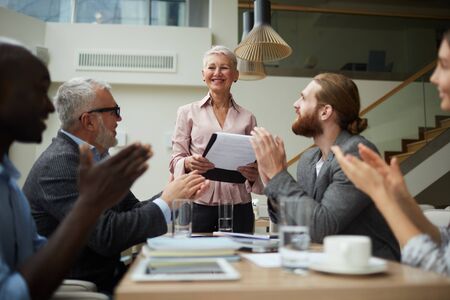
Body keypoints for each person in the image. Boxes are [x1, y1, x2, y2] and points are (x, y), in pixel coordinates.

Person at [23, 77, 209, 293]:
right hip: (85, 289)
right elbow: (106, 236)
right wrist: (166, 202)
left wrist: (176, 195)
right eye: (114, 111)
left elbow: (130, 210)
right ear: (89, 121)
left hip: (111, 278)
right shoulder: (59, 165)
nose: (120, 118)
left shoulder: (96, 157)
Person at [0, 39, 153, 299]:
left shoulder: (8, 182)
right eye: (38, 91)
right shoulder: (57, 164)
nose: (50, 108)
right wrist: (90, 206)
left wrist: (173, 197)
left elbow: (40, 262)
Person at [332, 30, 450, 275]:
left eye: (445, 66)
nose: (434, 78)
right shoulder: (311, 160)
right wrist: (401, 198)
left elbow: (439, 269)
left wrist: (380, 194)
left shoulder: (353, 147)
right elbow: (443, 241)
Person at [250, 72, 400, 260]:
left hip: (370, 268)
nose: (295, 104)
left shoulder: (355, 153)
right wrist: (270, 181)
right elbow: (295, 221)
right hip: (325, 262)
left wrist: (279, 176)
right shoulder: (308, 159)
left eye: (303, 98)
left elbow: (322, 227)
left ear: (325, 111)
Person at [170, 45, 263, 233]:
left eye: (224, 67)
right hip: (198, 203)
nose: (217, 73)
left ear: (235, 75)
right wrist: (188, 162)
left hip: (239, 206)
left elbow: (256, 162)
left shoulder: (248, 117)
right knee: (198, 259)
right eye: (211, 67)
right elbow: (175, 160)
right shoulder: (187, 112)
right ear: (203, 74)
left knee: (241, 257)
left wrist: (254, 174)